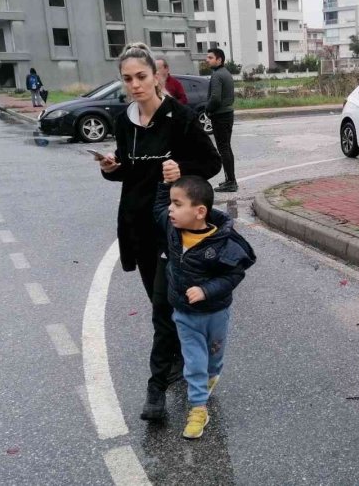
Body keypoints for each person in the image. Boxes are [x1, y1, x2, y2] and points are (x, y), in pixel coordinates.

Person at [96, 42, 222, 421]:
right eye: (127, 79)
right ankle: (183, 356)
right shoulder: (124, 121)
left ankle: (158, 387)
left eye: (141, 76)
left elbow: (211, 163)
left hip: (172, 228)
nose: (135, 85)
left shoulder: (180, 117)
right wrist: (111, 167)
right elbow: (129, 171)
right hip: (136, 225)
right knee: (159, 302)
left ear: (156, 76)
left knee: (163, 308)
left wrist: (181, 169)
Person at [153, 174, 255, 439]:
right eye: (171, 203)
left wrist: (206, 290)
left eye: (177, 204)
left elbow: (234, 275)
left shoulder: (223, 242)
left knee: (213, 360)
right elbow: (158, 208)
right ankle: (198, 409)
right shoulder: (173, 230)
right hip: (185, 314)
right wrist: (166, 183)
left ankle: (211, 376)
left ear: (199, 212)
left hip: (216, 314)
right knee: (194, 362)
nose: (170, 209)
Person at [206, 49, 237, 193]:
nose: (207, 60)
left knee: (224, 149)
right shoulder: (226, 73)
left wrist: (208, 109)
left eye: (210, 57)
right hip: (227, 114)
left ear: (219, 60)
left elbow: (215, 98)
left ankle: (231, 182)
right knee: (226, 148)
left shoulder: (217, 75)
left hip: (220, 116)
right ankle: (230, 180)